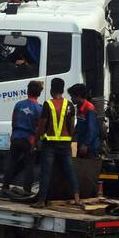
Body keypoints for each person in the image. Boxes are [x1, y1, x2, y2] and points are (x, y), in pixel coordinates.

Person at [32, 77, 80, 207]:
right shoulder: (70, 105)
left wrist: (35, 142)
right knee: (70, 170)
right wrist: (69, 139)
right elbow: (71, 125)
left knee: (46, 172)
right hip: (65, 144)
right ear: (63, 90)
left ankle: (41, 200)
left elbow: (42, 126)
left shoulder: (48, 104)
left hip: (50, 144)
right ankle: (76, 198)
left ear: (52, 90)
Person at [0, 80, 44, 199]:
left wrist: (14, 135)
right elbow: (39, 127)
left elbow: (13, 121)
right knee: (29, 164)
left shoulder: (19, 104)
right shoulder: (39, 109)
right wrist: (35, 142)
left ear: (28, 91)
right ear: (39, 94)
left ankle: (5, 186)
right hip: (28, 139)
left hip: (16, 137)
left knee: (12, 162)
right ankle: (27, 190)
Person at [69, 84, 102, 158]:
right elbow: (80, 123)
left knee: (88, 167)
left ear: (79, 96)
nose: (71, 98)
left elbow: (92, 129)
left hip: (90, 146)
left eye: (72, 96)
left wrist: (85, 144)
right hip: (81, 143)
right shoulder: (79, 106)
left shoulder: (89, 108)